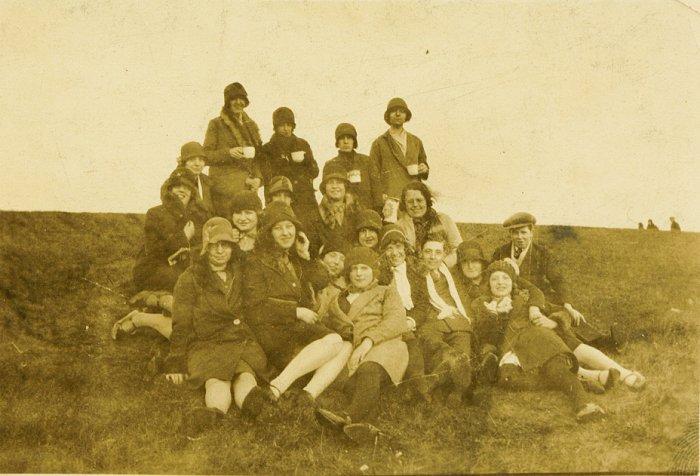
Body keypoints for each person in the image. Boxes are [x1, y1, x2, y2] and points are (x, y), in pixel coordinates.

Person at [456, 241, 641, 391]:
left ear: (483, 262)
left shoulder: (498, 275)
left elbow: (532, 291)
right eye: (465, 262)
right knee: (546, 350)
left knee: (567, 338)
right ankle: (589, 376)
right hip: (507, 336)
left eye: (475, 261)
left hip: (530, 321)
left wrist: (539, 311)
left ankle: (624, 373)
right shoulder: (461, 288)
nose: (471, 266)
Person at [164, 218, 269, 438]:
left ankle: (252, 406)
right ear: (206, 247)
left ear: (233, 247)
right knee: (216, 381)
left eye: (226, 245)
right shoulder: (190, 278)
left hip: (240, 340)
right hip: (207, 343)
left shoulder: (241, 272)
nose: (220, 251)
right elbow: (181, 321)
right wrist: (176, 360)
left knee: (246, 377)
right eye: (214, 245)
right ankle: (211, 414)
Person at [243, 202, 352, 413]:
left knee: (346, 345)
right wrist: (295, 311)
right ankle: (276, 388)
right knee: (335, 340)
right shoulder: (255, 261)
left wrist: (306, 255)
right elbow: (254, 307)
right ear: (268, 233)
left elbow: (321, 280)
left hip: (293, 330)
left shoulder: (292, 258)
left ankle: (306, 396)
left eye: (289, 227)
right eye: (278, 228)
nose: (286, 233)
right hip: (270, 333)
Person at [472, 260, 606, 422]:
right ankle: (577, 382)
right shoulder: (481, 305)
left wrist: (555, 322)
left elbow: (561, 312)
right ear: (488, 283)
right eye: (495, 279)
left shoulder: (527, 300)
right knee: (508, 380)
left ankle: (583, 405)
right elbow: (483, 335)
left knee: (555, 369)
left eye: (505, 278)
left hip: (538, 341)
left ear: (513, 283)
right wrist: (493, 315)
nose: (500, 283)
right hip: (511, 350)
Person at [315, 247, 409, 445]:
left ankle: (347, 417)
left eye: (364, 268)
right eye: (354, 268)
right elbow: (322, 323)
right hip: (352, 353)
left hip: (385, 345)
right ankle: (365, 431)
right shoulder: (336, 300)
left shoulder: (385, 292)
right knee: (355, 384)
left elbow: (396, 320)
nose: (358, 273)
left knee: (369, 370)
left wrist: (367, 342)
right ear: (348, 272)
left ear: (374, 271)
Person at [414, 233, 474, 404]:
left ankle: (454, 390)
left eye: (438, 252)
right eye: (428, 252)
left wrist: (467, 318)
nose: (432, 257)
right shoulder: (414, 274)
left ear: (444, 255)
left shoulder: (450, 274)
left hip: (457, 320)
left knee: (462, 347)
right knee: (438, 347)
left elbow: (463, 298)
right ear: (421, 253)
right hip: (431, 321)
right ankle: (456, 386)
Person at [203, 82, 263, 217]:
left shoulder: (251, 126)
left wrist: (258, 178)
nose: (239, 102)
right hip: (224, 192)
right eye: (234, 99)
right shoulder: (216, 124)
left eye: (242, 99)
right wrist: (228, 153)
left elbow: (257, 158)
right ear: (227, 102)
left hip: (248, 191)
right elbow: (205, 156)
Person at [259, 107, 320, 228]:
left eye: (289, 125)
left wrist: (306, 161)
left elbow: (315, 172)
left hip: (304, 198)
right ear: (275, 127)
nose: (286, 129)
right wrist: (282, 165)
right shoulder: (268, 149)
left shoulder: (302, 144)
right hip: (282, 198)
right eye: (282, 125)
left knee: (309, 231)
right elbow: (267, 177)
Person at [369, 98, 429, 203]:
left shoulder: (416, 141)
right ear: (388, 116)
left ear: (406, 116)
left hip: (413, 197)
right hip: (391, 197)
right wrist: (380, 198)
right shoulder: (379, 143)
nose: (398, 114)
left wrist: (424, 168)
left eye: (402, 111)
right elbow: (373, 175)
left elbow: (423, 163)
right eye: (394, 111)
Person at [396, 181, 463, 267]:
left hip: (444, 269)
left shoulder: (443, 219)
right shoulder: (399, 226)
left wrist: (442, 266)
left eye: (419, 200)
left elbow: (459, 248)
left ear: (427, 201)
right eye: (410, 202)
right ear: (405, 204)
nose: (415, 205)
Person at [323, 123, 382, 211]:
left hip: (366, 210)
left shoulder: (367, 161)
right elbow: (326, 191)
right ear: (337, 142)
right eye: (342, 138)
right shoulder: (330, 165)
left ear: (354, 141)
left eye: (349, 138)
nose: (346, 141)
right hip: (341, 212)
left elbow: (376, 188)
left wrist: (378, 210)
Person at [313, 164, 363, 251]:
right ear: (325, 188)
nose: (335, 186)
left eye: (339, 182)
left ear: (345, 187)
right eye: (330, 183)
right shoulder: (317, 215)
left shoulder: (358, 210)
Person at [164, 141, 214, 215]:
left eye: (201, 160)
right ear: (184, 162)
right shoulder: (174, 182)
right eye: (192, 160)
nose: (197, 164)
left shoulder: (208, 181)